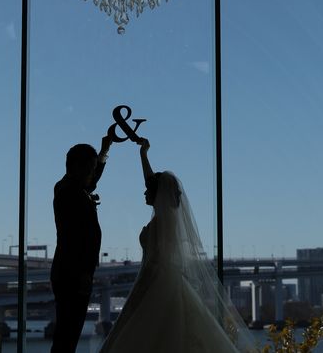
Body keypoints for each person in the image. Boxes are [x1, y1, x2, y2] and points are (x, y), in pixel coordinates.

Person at [100, 138, 257, 353]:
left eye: (148, 190)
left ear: (158, 194)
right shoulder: (165, 217)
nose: (144, 192)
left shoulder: (164, 220)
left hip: (155, 280)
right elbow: (151, 182)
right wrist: (143, 154)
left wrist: (143, 286)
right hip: (164, 279)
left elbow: (157, 258)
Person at [50, 134, 113, 353]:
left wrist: (104, 151)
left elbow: (91, 182)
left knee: (67, 333)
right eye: (90, 168)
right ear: (79, 167)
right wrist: (85, 273)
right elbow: (77, 239)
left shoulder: (67, 187)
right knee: (68, 333)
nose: (92, 173)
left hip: (69, 271)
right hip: (73, 273)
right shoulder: (71, 192)